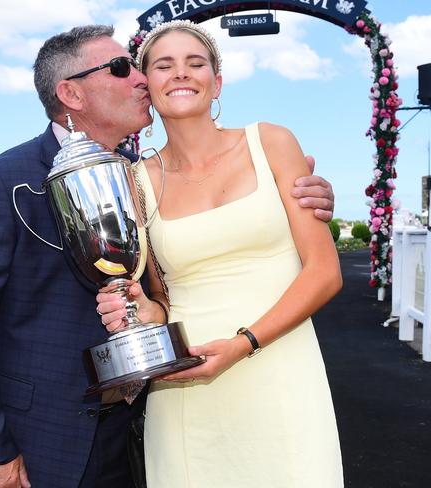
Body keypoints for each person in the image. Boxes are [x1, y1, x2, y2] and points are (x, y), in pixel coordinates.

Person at [0, 24, 337, 488]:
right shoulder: (3, 180)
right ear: (72, 94)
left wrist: (292, 203)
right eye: (125, 69)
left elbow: (162, 291)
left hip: (138, 427)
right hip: (48, 439)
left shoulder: (132, 175)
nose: (142, 79)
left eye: (144, 68)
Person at [97, 20, 344, 487]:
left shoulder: (271, 141)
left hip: (281, 367)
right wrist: (146, 311)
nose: (181, 74)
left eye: (196, 63)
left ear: (217, 81)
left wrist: (242, 343)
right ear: (146, 84)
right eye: (164, 66)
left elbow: (325, 272)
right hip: (187, 379)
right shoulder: (135, 181)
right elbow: (161, 296)